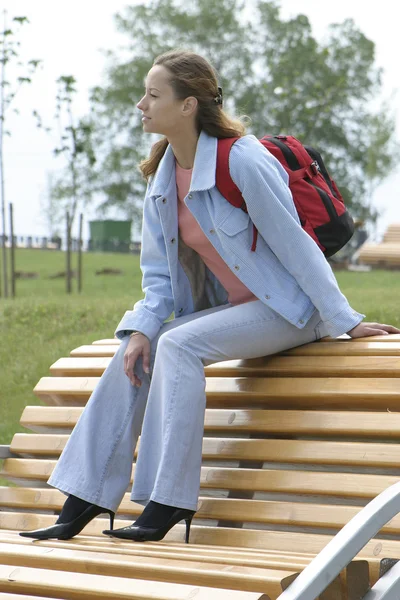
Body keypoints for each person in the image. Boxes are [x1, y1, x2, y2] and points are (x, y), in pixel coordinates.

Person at [20, 49, 400, 544]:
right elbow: (158, 277)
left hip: (292, 309)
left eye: (153, 95)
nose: (140, 104)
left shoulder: (241, 159)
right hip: (239, 313)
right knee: (139, 346)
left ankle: (168, 500)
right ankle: (86, 495)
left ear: (188, 105)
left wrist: (343, 320)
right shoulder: (161, 177)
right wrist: (142, 328)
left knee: (178, 345)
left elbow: (296, 244)